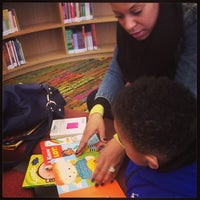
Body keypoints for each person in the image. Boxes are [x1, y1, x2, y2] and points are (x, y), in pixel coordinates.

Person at [76, 3, 197, 185]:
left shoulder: (190, 23)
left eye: (137, 12)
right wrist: (96, 111)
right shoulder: (129, 27)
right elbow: (116, 70)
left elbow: (182, 103)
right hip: (147, 98)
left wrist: (124, 140)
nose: (129, 25)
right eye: (119, 16)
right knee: (96, 99)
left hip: (182, 109)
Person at [111, 76, 197, 198]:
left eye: (122, 142)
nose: (118, 143)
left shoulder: (149, 192)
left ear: (151, 162)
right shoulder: (180, 135)